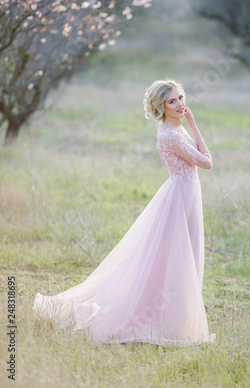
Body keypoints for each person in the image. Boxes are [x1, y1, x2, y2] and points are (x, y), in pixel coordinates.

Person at [33, 79, 216, 347]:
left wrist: (190, 126)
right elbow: (207, 162)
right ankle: (161, 317)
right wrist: (195, 126)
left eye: (180, 98)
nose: (180, 104)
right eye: (172, 101)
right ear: (161, 106)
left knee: (181, 255)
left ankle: (178, 314)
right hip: (179, 197)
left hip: (187, 193)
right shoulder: (170, 134)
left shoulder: (175, 128)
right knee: (175, 258)